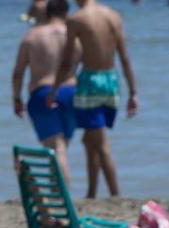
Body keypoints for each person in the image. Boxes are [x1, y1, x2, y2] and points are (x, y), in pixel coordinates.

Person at [49, 0, 138, 198]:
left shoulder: (76, 19)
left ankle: (115, 195)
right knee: (91, 140)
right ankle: (92, 193)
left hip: (90, 82)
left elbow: (66, 61)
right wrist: (133, 92)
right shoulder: (113, 15)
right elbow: (124, 58)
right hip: (111, 80)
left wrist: (54, 89)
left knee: (100, 143)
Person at [12, 0, 79, 182]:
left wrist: (17, 99)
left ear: (47, 13)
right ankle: (59, 190)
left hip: (42, 93)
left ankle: (63, 195)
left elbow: (18, 73)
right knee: (61, 147)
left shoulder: (32, 37)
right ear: (66, 13)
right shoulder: (75, 36)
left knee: (57, 149)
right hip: (72, 93)